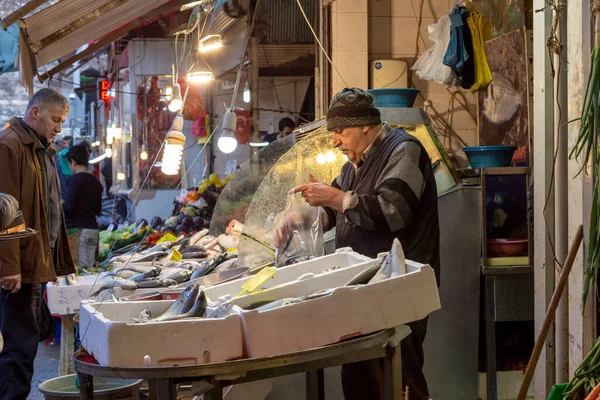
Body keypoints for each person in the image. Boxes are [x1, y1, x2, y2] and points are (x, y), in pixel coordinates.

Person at [275, 88, 440, 400]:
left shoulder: (404, 150)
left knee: (399, 380)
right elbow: (337, 210)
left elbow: (393, 212)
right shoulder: (355, 163)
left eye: (340, 131)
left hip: (398, 293)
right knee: (359, 380)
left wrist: (337, 198)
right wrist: (301, 218)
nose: (335, 141)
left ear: (365, 124)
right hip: (362, 293)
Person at [0, 88, 76, 399]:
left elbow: (47, 210)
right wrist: (10, 266)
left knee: (26, 342)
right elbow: (5, 208)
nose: (59, 128)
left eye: (62, 122)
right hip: (19, 269)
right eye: (55, 120)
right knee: (18, 347)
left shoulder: (37, 148)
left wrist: (52, 263)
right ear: (35, 113)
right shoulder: (10, 145)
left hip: (33, 264)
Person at [63, 143, 104, 268]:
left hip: (79, 231)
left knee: (81, 270)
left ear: (73, 162)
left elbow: (69, 207)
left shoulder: (74, 180)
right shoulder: (96, 182)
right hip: (93, 230)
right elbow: (98, 210)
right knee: (91, 269)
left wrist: (60, 206)